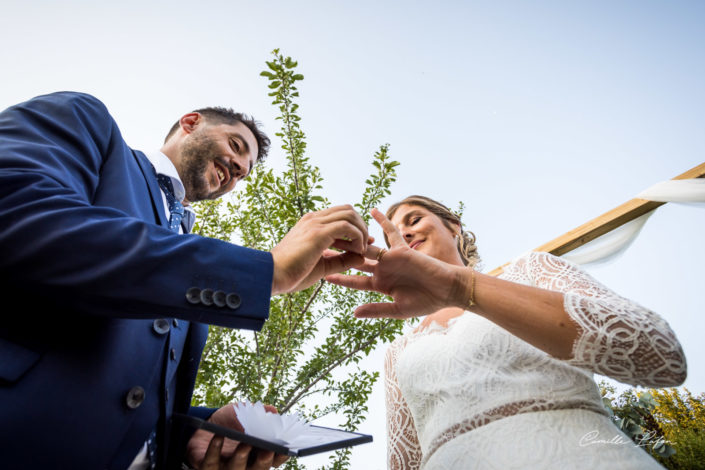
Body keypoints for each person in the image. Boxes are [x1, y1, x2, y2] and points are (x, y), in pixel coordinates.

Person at [0, 91, 369, 470]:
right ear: (190, 123)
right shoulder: (85, 121)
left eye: (245, 170)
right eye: (236, 145)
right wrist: (262, 272)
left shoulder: (187, 247)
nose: (238, 168)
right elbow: (18, 215)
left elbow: (133, 391)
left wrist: (196, 431)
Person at [327, 195, 688, 470]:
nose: (403, 231)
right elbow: (404, 463)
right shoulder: (398, 352)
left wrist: (459, 288)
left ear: (453, 226)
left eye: (414, 218)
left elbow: (659, 355)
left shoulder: (530, 271)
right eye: (395, 231)